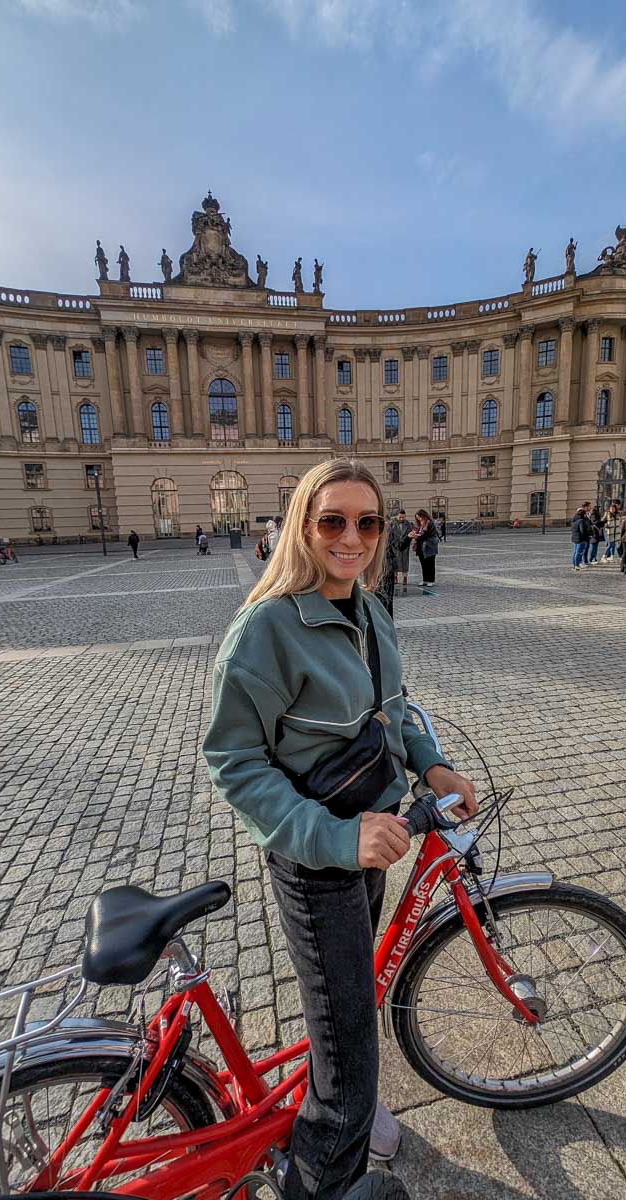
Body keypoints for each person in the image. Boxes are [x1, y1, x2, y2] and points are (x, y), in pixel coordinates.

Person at [203, 458, 477, 1200]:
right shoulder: (268, 628)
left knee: (345, 1010)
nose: (350, 536)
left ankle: (344, 1091)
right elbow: (232, 759)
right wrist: (336, 840)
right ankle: (330, 1155)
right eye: (333, 520)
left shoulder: (370, 607)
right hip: (318, 860)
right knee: (352, 1051)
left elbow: (397, 706)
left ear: (384, 532)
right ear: (303, 525)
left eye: (367, 521)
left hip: (375, 843)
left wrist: (434, 766)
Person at [408, 508, 440, 595]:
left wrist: (416, 536)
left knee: (430, 563)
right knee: (423, 564)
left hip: (429, 546)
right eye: (417, 518)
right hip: (421, 546)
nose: (419, 519)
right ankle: (425, 580)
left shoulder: (430, 523)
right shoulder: (419, 524)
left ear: (423, 516)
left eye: (419, 517)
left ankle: (431, 580)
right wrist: (415, 534)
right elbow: (419, 533)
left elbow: (427, 535)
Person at [390, 509, 412, 595]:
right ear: (396, 516)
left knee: (405, 562)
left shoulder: (408, 524)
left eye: (403, 517)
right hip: (395, 546)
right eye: (400, 517)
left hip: (405, 545)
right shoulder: (392, 523)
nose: (401, 519)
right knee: (395, 561)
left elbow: (411, 533)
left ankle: (405, 577)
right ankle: (395, 577)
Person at [570, 503, 593, 571]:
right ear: (583, 514)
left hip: (575, 538)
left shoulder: (574, 520)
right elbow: (582, 530)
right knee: (579, 552)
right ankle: (577, 565)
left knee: (575, 552)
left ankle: (575, 564)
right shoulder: (581, 521)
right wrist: (588, 535)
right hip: (581, 539)